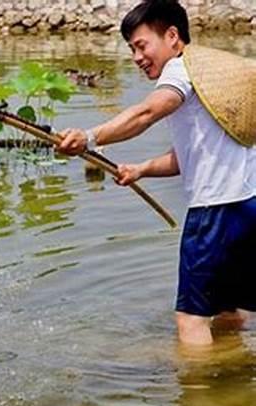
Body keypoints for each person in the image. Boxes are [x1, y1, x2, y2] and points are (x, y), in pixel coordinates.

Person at [56, 0, 256, 346]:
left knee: (191, 320)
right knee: (228, 310)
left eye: (141, 45)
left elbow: (146, 113)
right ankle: (236, 381)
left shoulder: (179, 71)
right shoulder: (207, 78)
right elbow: (189, 157)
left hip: (215, 213)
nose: (136, 57)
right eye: (132, 48)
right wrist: (141, 169)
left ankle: (203, 393)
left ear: (173, 36)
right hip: (248, 207)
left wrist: (90, 137)